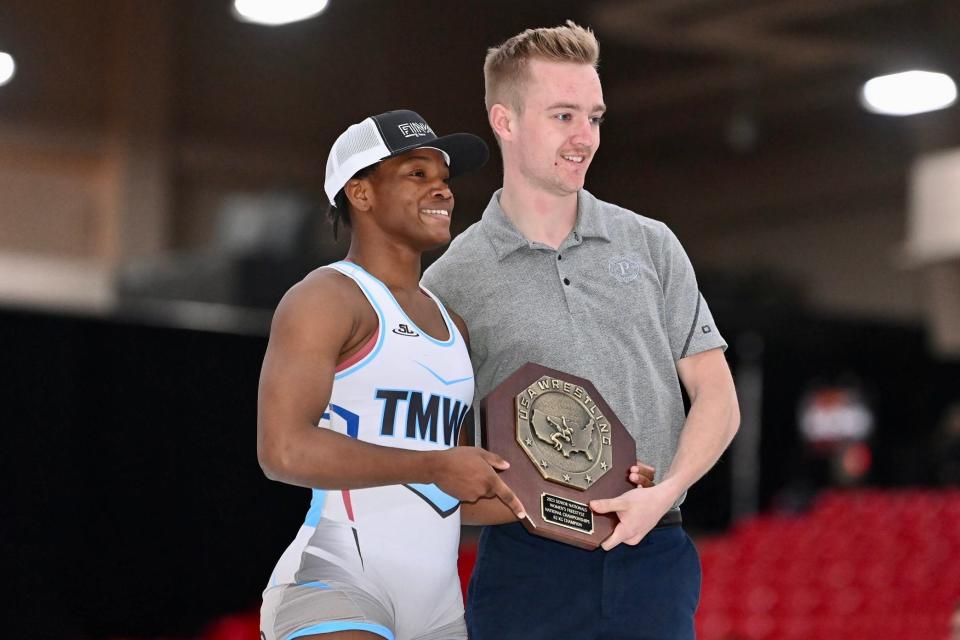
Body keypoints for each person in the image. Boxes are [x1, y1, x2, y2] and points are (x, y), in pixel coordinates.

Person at [421, 22, 741, 640]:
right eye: (563, 116)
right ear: (505, 121)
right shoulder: (452, 280)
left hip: (654, 553)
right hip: (526, 567)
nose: (585, 138)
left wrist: (665, 490)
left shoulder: (652, 245)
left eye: (594, 117)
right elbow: (438, 448)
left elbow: (718, 396)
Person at [256, 109, 527, 640]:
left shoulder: (455, 327)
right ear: (361, 194)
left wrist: (595, 498)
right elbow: (283, 452)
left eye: (445, 180)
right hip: (335, 580)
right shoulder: (325, 298)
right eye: (417, 174)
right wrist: (433, 465)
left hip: (439, 610)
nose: (443, 191)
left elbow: (461, 489)